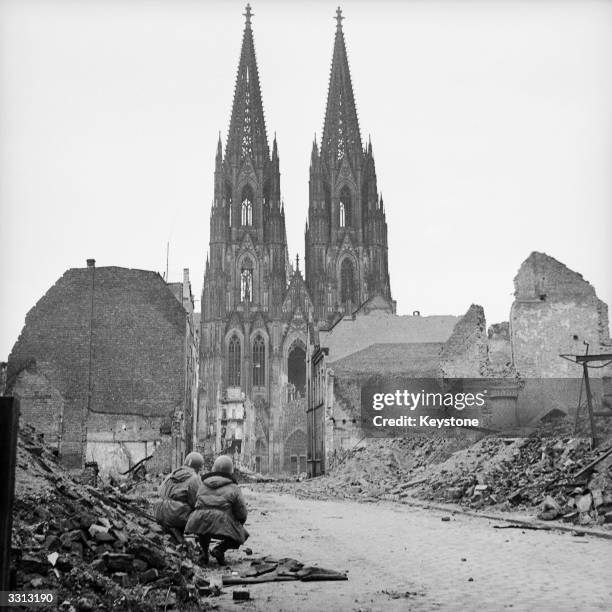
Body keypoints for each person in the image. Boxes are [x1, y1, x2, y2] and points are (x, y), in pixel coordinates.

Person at [185, 455, 249, 565]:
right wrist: (238, 525)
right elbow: (242, 513)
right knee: (243, 534)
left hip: (199, 523)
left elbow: (197, 504)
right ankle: (219, 549)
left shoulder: (202, 484)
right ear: (230, 471)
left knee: (203, 523)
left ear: (214, 468)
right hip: (222, 524)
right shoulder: (234, 488)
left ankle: (204, 554)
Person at [152, 451, 204, 541]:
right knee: (203, 513)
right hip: (174, 515)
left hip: (159, 512)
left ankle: (176, 534)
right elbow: (197, 502)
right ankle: (201, 546)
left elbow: (160, 493)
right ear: (199, 467)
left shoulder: (171, 474)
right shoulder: (194, 478)